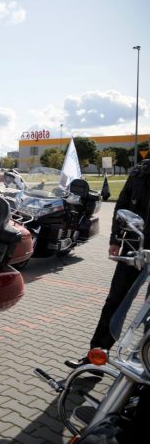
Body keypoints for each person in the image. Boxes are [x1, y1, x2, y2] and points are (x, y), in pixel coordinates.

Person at [67, 158, 150, 369]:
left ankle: (145, 363)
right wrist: (115, 239)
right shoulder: (141, 171)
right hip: (135, 244)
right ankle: (96, 358)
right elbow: (122, 205)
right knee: (115, 301)